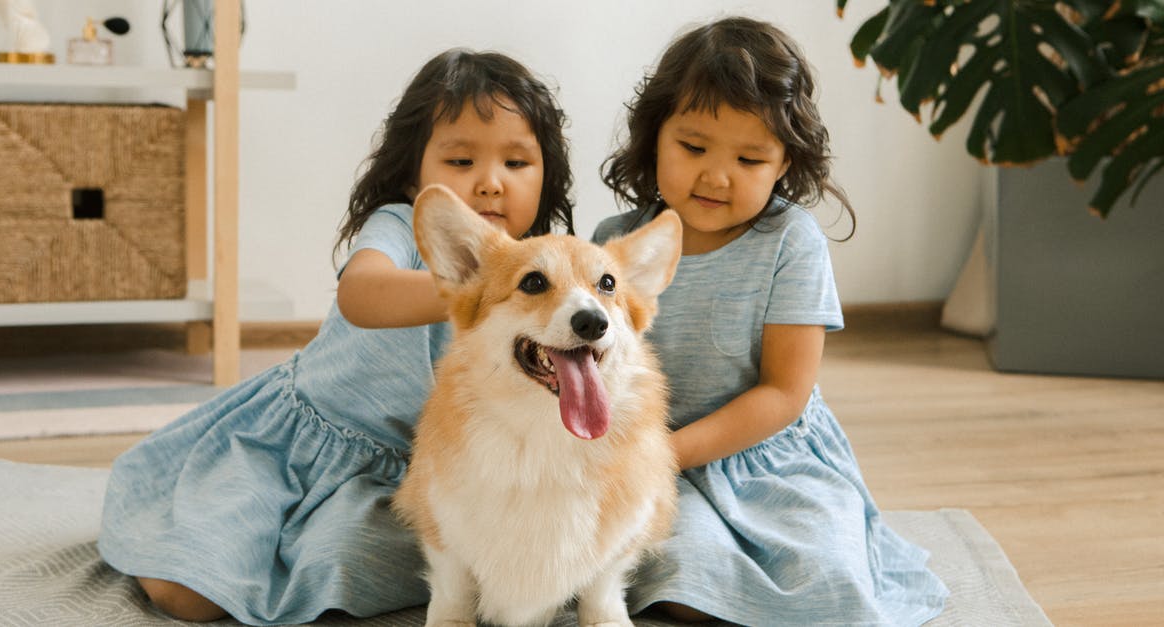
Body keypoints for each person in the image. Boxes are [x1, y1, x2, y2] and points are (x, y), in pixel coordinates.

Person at [98, 49, 574, 625]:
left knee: (381, 564)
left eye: (517, 163)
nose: (491, 184)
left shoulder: (543, 270)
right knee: (185, 592)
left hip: (405, 477)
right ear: (412, 174)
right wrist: (473, 288)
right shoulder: (399, 226)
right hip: (297, 447)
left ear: (546, 174)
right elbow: (362, 292)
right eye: (461, 160)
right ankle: (185, 530)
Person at [595, 17, 948, 625]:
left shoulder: (791, 242)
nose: (716, 175)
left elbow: (785, 393)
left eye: (749, 157)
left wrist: (669, 452)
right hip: (659, 461)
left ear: (784, 163)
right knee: (688, 581)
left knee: (829, 579)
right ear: (655, 138)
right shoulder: (616, 243)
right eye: (694, 147)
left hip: (771, 459)